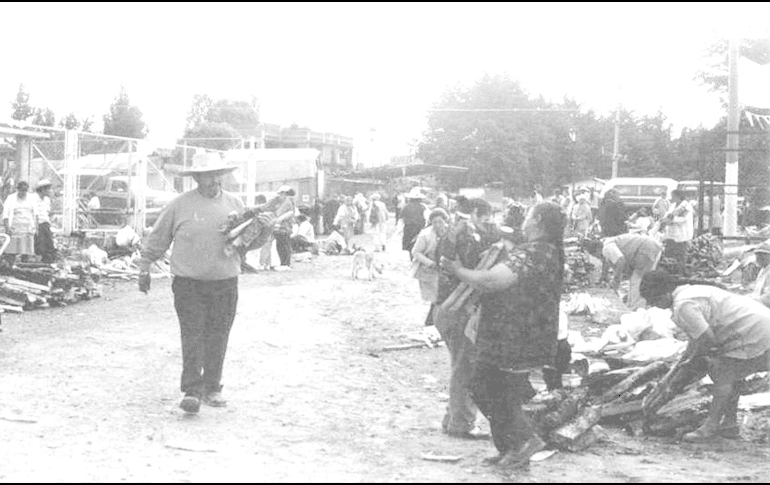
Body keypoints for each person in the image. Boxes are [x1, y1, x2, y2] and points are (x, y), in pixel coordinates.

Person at [137, 152, 275, 414]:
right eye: (205, 176)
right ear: (196, 179)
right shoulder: (179, 205)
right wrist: (144, 267)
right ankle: (192, 390)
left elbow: (248, 244)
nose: (211, 181)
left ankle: (212, 386)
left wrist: (266, 230)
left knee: (218, 334)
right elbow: (159, 238)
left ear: (221, 176)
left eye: (214, 175)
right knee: (192, 335)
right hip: (188, 283)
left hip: (225, 282)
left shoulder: (236, 206)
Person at [442, 201, 563, 466]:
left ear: (538, 219)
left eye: (529, 214)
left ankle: (522, 441)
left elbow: (492, 280)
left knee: (486, 384)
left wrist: (457, 270)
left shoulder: (537, 251)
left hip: (516, 332)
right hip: (514, 330)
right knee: (492, 384)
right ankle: (510, 449)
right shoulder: (541, 250)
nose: (523, 219)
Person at [640, 270, 770, 442]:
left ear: (664, 292)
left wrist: (694, 360)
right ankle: (729, 424)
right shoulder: (691, 291)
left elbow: (707, 339)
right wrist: (684, 361)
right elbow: (696, 339)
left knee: (721, 372)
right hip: (758, 326)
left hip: (753, 332)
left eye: (654, 300)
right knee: (733, 374)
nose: (653, 305)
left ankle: (711, 427)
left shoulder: (683, 305)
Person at [434, 198, 499, 440]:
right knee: (466, 368)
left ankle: (452, 418)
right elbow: (476, 274)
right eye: (486, 217)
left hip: (445, 307)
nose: (489, 222)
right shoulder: (469, 235)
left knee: (459, 365)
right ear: (474, 213)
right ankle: (461, 423)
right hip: (460, 308)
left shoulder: (452, 231)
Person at [601, 233, 663, 310]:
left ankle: (635, 307)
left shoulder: (607, 246)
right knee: (637, 279)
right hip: (649, 246)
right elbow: (609, 263)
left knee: (637, 279)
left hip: (646, 248)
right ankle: (632, 304)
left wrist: (616, 281)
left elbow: (620, 261)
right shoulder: (614, 241)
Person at [411, 208, 450, 327]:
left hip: (445, 268)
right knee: (436, 297)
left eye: (440, 221)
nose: (438, 225)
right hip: (429, 269)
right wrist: (430, 263)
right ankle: (430, 323)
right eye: (434, 222)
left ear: (445, 220)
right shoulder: (425, 235)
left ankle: (434, 323)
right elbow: (416, 252)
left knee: (443, 295)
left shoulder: (450, 232)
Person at [660, 189, 694, 276]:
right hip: (671, 234)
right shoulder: (673, 205)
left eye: (673, 196)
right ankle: (670, 273)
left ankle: (680, 273)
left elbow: (682, 218)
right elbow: (667, 215)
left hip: (681, 234)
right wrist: (664, 220)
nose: (671, 198)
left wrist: (670, 221)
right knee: (669, 254)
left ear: (678, 197)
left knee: (680, 256)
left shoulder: (686, 206)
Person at [3, 181, 39, 263]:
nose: (23, 192)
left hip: (27, 229)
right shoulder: (10, 198)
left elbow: (36, 214)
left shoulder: (31, 199)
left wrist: (36, 227)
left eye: (25, 190)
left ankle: (23, 268)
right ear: (17, 189)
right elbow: (5, 215)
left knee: (26, 253)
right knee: (11, 253)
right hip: (14, 229)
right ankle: (9, 267)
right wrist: (7, 228)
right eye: (21, 190)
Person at [273, 185, 296, 271]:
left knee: (283, 245)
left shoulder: (287, 201)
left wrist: (279, 219)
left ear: (285, 193)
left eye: (281, 193)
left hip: (284, 227)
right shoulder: (285, 202)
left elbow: (290, 213)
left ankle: (285, 263)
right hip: (281, 227)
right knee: (281, 245)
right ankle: (283, 263)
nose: (280, 195)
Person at [33, 179, 57, 263]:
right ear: (42, 189)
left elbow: (48, 212)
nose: (49, 191)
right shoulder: (33, 198)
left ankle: (48, 259)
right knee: (40, 243)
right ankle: (40, 258)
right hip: (37, 223)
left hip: (45, 222)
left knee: (49, 242)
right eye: (47, 189)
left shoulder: (47, 200)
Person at [401, 188, 428, 260]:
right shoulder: (423, 207)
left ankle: (412, 259)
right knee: (420, 246)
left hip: (409, 230)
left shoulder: (406, 207)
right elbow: (427, 218)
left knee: (410, 246)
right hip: (420, 229)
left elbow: (402, 218)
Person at [750, 242, 770, 307]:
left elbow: (768, 298)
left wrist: (751, 302)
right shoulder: (763, 270)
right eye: (757, 254)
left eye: (763, 254)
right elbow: (757, 292)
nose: (758, 257)